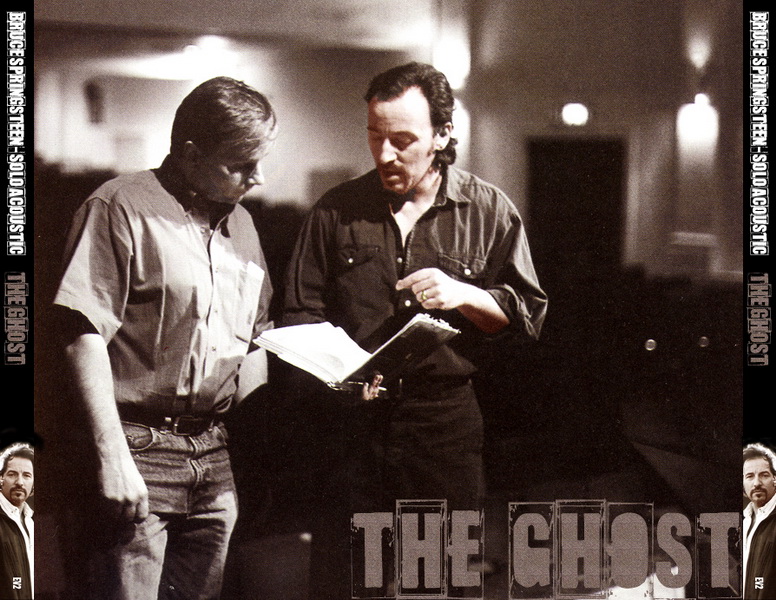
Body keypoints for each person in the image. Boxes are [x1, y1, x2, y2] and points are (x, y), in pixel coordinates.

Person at [282, 61, 547, 597]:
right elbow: (298, 312)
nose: (384, 155)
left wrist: (466, 295)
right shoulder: (335, 211)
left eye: (402, 141)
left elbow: (527, 317)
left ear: (443, 135)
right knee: (346, 584)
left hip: (441, 429)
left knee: (439, 585)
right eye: (375, 137)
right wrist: (336, 376)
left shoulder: (488, 210)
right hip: (352, 429)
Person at [52, 76, 276, 600]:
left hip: (214, 455)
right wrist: (111, 456)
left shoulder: (243, 225)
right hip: (138, 450)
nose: (259, 178)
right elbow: (82, 332)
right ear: (191, 154)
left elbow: (255, 338)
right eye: (242, 165)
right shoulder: (119, 206)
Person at [743, 442, 776, 600]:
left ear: (775, 479)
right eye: (750, 476)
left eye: (764, 475)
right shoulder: (744, 522)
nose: (756, 483)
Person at [0, 444, 34, 600]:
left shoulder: (32, 522)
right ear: (1, 479)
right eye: (12, 474)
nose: (20, 482)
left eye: (26, 475)